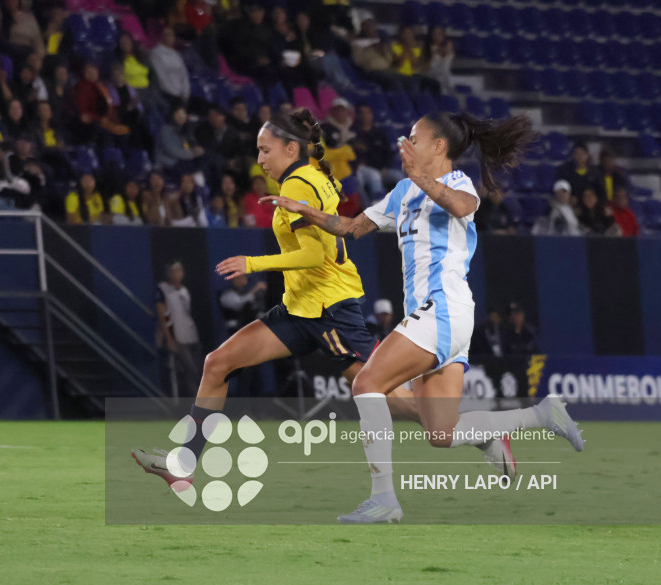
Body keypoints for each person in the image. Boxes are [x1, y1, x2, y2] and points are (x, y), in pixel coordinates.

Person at [262, 111, 584, 523]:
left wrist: (419, 176)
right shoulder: (402, 192)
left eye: (414, 137)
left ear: (438, 146)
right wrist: (305, 210)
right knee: (440, 433)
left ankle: (384, 500)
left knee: (367, 383)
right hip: (438, 317)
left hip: (444, 307)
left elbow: (464, 206)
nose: (407, 143)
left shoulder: (457, 183)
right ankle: (540, 415)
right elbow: (350, 227)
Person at [133, 108, 442, 488]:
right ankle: (184, 465)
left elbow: (312, 255)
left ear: (291, 148)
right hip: (300, 309)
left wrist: (252, 263)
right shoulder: (310, 176)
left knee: (392, 401)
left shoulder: (297, 184)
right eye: (258, 150)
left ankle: (478, 433)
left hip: (329, 311)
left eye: (265, 150)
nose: (259, 159)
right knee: (217, 363)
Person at [155, 261, 203, 398]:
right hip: (177, 338)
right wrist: (169, 338)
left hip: (191, 336)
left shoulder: (185, 290)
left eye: (179, 270)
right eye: (173, 271)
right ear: (168, 273)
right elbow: (163, 315)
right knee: (190, 371)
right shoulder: (162, 289)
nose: (176, 274)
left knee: (198, 371)